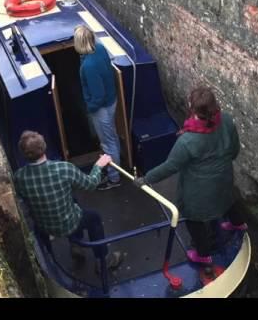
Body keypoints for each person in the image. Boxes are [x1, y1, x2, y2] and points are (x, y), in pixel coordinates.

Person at [134, 87, 246, 265]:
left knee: (195, 220)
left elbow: (171, 166)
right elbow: (234, 150)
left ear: (192, 109)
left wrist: (146, 179)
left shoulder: (187, 141)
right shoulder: (226, 120)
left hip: (199, 190)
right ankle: (238, 224)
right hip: (224, 176)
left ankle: (203, 255)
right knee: (227, 198)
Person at [13, 130, 123, 271]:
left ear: (23, 154)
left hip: (44, 226)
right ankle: (103, 261)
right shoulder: (64, 168)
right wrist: (99, 166)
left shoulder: (19, 177)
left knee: (71, 198)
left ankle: (63, 254)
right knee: (93, 218)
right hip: (68, 224)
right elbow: (90, 184)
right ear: (44, 147)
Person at [74, 24, 122, 190]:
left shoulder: (89, 67)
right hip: (111, 100)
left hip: (101, 108)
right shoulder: (100, 48)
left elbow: (98, 95)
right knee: (112, 136)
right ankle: (118, 164)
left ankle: (114, 178)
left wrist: (90, 107)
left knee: (108, 143)